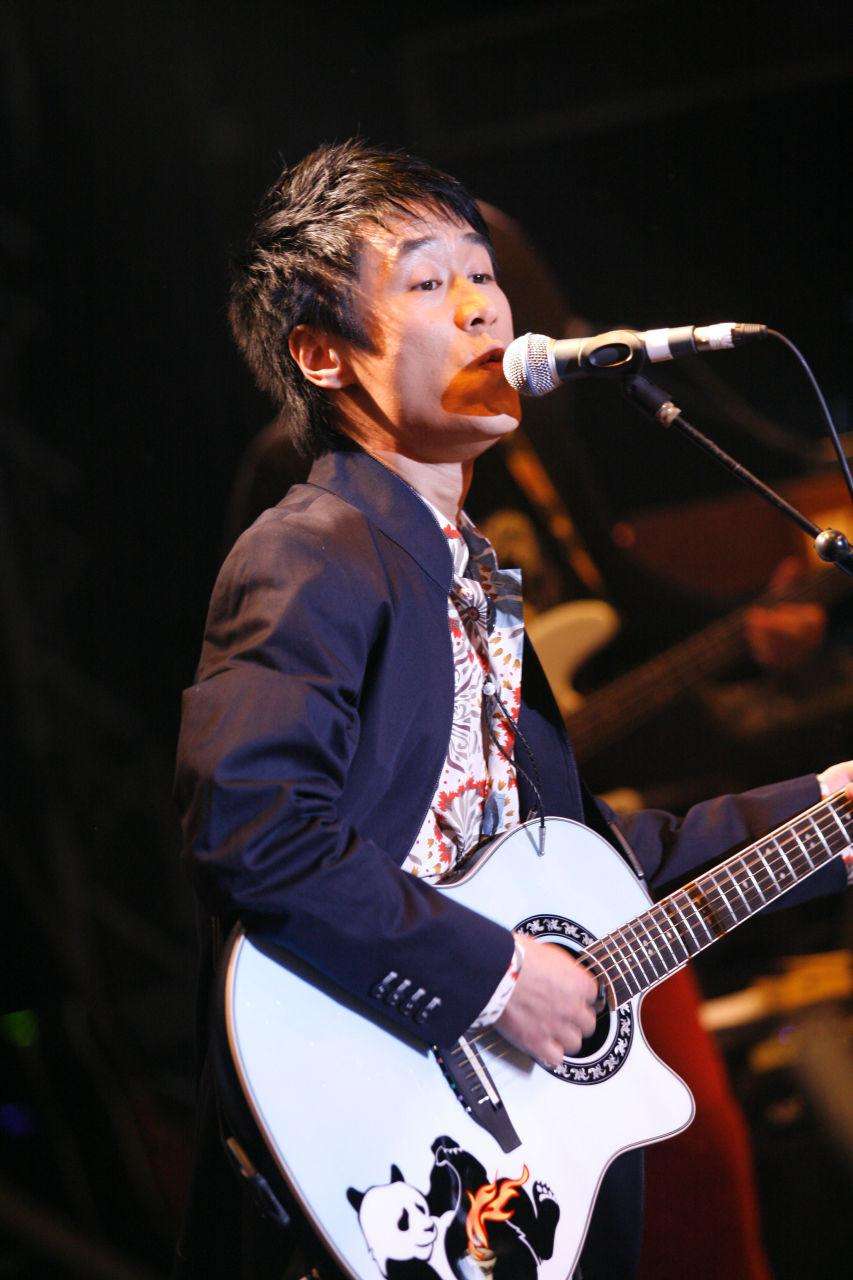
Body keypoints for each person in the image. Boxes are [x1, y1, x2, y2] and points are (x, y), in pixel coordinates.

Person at [174, 139, 852, 1280]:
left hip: (504, 1163)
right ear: (323, 354)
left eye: (482, 274)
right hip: (379, 1145)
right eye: (428, 281)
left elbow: (590, 861)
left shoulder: (469, 574)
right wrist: (494, 978)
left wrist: (821, 813)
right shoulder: (310, 550)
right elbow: (252, 826)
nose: (483, 307)